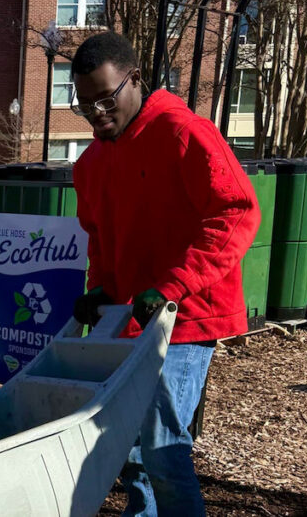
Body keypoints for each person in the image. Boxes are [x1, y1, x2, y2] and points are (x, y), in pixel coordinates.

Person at [69, 32, 259, 516]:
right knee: (130, 453)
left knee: (162, 450)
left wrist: (172, 287)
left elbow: (236, 212)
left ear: (135, 80)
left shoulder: (182, 131)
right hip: (134, 316)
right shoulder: (91, 162)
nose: (96, 113)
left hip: (186, 317)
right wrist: (103, 287)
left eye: (106, 99)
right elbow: (102, 235)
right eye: (85, 103)